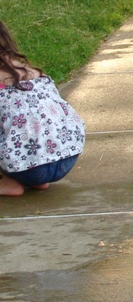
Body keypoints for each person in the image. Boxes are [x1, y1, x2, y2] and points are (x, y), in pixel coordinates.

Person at [0, 20, 86, 196]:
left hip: (28, 167)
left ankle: (10, 182)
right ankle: (36, 180)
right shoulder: (32, 71)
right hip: (67, 156)